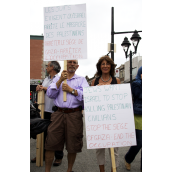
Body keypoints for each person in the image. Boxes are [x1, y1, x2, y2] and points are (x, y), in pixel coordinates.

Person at [45, 60, 89, 172]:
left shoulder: (81, 79)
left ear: (77, 66)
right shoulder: (56, 78)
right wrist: (60, 81)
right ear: (66, 64)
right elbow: (50, 94)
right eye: (70, 62)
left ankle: (69, 170)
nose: (72, 64)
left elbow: (87, 96)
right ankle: (47, 170)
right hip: (58, 113)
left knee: (73, 145)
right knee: (51, 143)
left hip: (74, 114)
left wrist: (72, 90)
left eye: (74, 62)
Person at [31, 61, 64, 166]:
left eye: (48, 65)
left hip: (54, 111)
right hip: (44, 110)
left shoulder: (59, 79)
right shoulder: (46, 79)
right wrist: (38, 88)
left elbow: (57, 90)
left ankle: (58, 156)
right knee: (43, 133)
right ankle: (42, 154)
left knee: (56, 135)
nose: (46, 67)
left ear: (52, 67)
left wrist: (44, 88)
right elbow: (42, 89)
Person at [91, 55, 121, 172]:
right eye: (102, 64)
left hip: (113, 119)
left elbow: (120, 100)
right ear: (99, 67)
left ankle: (114, 169)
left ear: (111, 66)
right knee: (100, 148)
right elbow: (92, 102)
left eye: (107, 64)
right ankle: (101, 170)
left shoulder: (116, 81)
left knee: (114, 149)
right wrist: (97, 90)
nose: (105, 66)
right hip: (99, 120)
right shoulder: (94, 81)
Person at [124, 66, 142, 172]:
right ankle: (128, 158)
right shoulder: (136, 84)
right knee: (139, 142)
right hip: (139, 116)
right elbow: (139, 95)